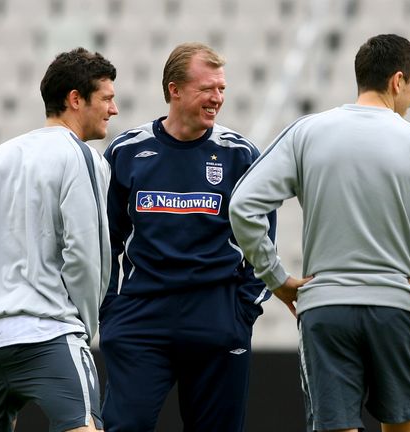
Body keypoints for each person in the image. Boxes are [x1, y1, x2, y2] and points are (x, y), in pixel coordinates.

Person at [229, 34, 410, 432]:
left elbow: (242, 206)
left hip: (326, 306)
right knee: (403, 426)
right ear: (396, 81)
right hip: (397, 307)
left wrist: (278, 279)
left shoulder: (307, 131)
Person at [99, 42, 274, 432]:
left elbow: (263, 241)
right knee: (123, 427)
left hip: (217, 316)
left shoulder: (241, 155)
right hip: (141, 317)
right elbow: (105, 240)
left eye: (222, 89)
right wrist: (110, 308)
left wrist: (243, 311)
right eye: (207, 88)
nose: (217, 98)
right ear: (174, 89)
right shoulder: (127, 152)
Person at [0, 47, 118, 432]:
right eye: (107, 98)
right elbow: (86, 253)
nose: (114, 109)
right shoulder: (83, 157)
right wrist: (82, 326)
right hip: (48, 333)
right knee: (83, 426)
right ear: (76, 99)